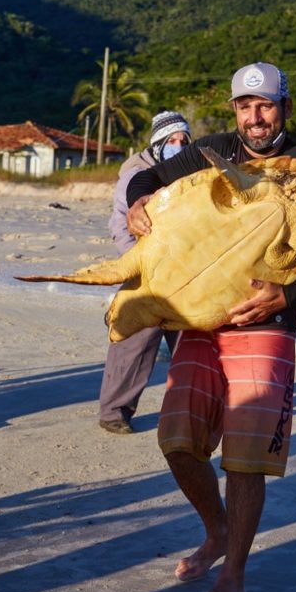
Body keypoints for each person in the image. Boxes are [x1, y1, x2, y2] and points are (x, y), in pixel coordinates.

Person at [126, 62, 296, 592]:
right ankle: (217, 531)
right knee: (178, 442)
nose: (255, 118)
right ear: (234, 109)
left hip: (267, 324)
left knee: (245, 460)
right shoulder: (211, 150)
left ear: (285, 106)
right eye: (244, 106)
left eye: (266, 106)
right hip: (202, 321)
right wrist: (138, 203)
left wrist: (287, 296)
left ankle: (232, 572)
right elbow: (146, 174)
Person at [99, 109, 191, 434]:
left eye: (183, 140)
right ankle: (114, 412)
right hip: (145, 270)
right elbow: (119, 223)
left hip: (184, 271)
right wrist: (140, 261)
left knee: (190, 341)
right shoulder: (135, 174)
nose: (178, 146)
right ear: (158, 143)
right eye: (172, 140)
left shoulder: (189, 172)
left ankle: (190, 408)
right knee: (135, 341)